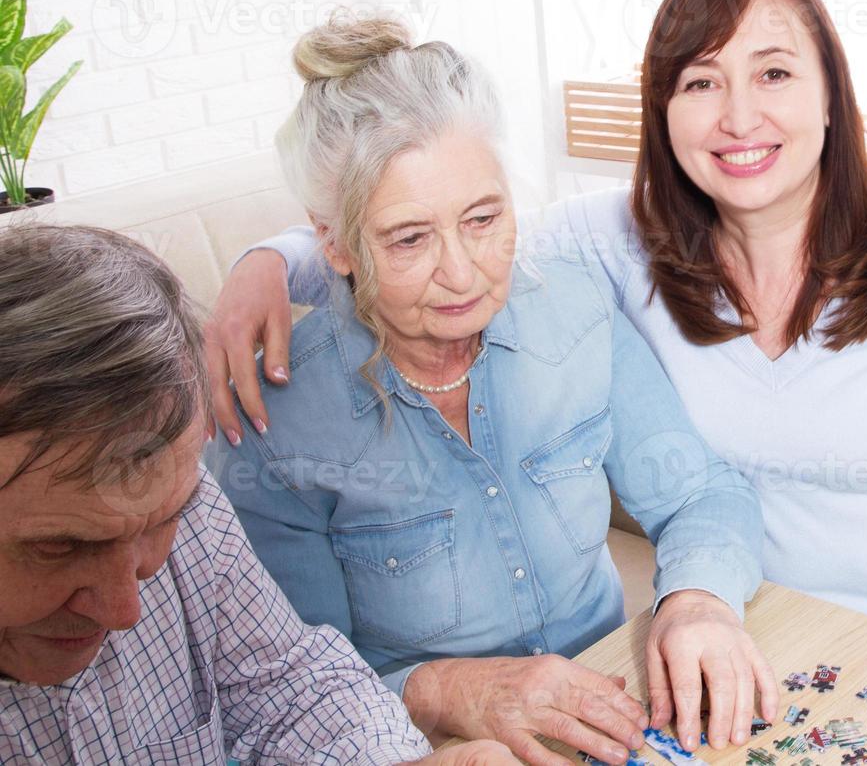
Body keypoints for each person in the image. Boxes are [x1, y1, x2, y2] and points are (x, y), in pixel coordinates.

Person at [211, 0, 867, 758]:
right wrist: (265, 267)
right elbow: (428, 219)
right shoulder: (608, 241)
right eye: (700, 82)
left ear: (833, 94)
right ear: (662, 113)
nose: (739, 117)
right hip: (782, 640)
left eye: (774, 73)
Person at [204, 14, 775, 766]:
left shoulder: (575, 309)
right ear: (334, 244)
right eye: (409, 238)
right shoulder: (276, 421)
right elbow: (284, 688)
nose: (464, 272)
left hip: (622, 708)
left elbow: (700, 493)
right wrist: (445, 689)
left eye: (483, 219)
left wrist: (698, 602)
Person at [0, 223, 510, 765]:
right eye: (59, 548)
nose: (126, 609)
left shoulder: (190, 505)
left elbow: (290, 689)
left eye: (161, 524)